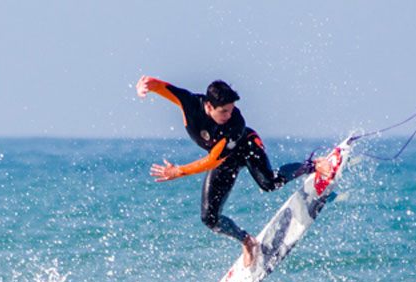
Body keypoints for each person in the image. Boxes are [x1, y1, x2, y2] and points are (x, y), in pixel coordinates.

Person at [136, 76, 327, 268]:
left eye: (231, 109)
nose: (229, 114)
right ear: (209, 107)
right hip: (226, 161)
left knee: (269, 183)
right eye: (224, 111)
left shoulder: (235, 123)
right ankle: (247, 241)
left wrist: (178, 171)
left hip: (247, 147)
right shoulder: (190, 104)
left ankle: (312, 165)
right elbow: (159, 86)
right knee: (209, 218)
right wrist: (145, 86)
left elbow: (212, 161)